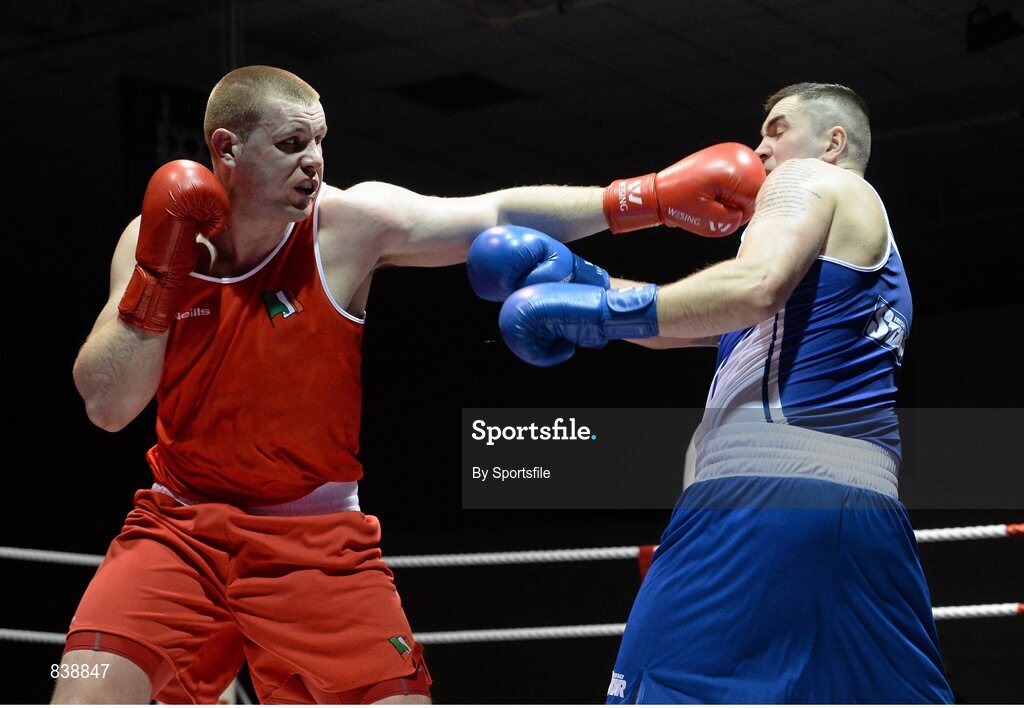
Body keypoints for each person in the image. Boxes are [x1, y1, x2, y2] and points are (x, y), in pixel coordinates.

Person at [55, 65, 764, 704]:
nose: (314, 163)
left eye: (320, 142)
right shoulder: (156, 239)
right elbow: (109, 405)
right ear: (226, 149)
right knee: (81, 694)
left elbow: (492, 214)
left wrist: (647, 198)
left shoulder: (348, 226)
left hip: (318, 543)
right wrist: (159, 277)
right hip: (178, 531)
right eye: (292, 144)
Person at [470, 83, 953, 702]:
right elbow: (705, 322)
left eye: (777, 128)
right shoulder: (867, 265)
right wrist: (584, 283)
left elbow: (754, 286)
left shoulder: (809, 181)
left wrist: (598, 316)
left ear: (833, 143)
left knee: (664, 688)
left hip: (759, 496)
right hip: (866, 513)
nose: (760, 147)